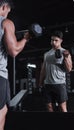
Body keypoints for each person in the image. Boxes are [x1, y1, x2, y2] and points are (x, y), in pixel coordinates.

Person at [0, 0, 31, 129]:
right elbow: (13, 50)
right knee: (1, 114)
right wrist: (25, 39)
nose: (7, 14)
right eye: (8, 11)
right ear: (4, 7)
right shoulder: (5, 22)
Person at [39, 30, 73, 112]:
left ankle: (66, 124)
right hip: (47, 84)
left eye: (56, 40)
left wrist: (65, 57)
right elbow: (43, 69)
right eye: (52, 40)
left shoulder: (65, 52)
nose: (53, 42)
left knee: (62, 108)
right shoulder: (46, 54)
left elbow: (69, 69)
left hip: (60, 84)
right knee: (49, 108)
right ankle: (53, 124)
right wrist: (40, 83)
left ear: (61, 41)